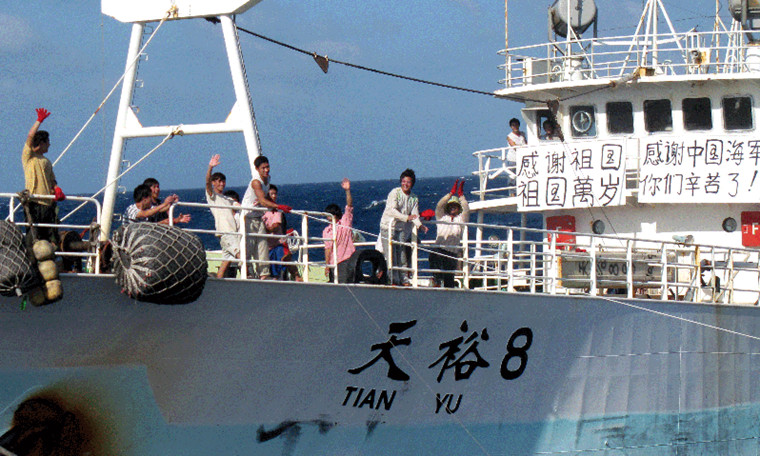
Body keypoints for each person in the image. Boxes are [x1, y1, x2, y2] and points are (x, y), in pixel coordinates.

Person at [241, 155, 291, 280]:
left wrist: (273, 206)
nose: (266, 170)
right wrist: (278, 206)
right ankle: (246, 273)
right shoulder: (256, 182)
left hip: (259, 217)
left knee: (262, 246)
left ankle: (264, 274)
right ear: (257, 169)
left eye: (267, 167)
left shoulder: (267, 179)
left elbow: (265, 198)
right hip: (248, 217)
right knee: (249, 246)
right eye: (263, 168)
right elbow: (262, 200)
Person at [22, 108, 65, 246]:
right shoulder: (29, 157)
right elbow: (30, 137)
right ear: (41, 143)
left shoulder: (47, 162)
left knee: (50, 237)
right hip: (34, 202)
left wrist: (56, 188)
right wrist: (39, 121)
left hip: (48, 204)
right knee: (33, 236)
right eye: (47, 141)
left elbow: (52, 180)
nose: (49, 144)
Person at [378, 169, 428, 286]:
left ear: (412, 183)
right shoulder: (395, 193)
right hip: (388, 227)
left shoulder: (414, 198)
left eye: (408, 182)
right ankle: (393, 280)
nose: (405, 184)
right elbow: (392, 210)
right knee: (391, 254)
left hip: (400, 229)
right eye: (403, 181)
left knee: (401, 254)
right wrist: (406, 217)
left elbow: (415, 214)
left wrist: (420, 225)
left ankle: (404, 279)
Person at [429, 179, 470, 288]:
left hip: (452, 252)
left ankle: (449, 292)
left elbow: (466, 209)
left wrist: (461, 196)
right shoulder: (441, 217)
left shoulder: (461, 220)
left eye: (455, 206)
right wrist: (450, 194)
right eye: (451, 206)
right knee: (434, 259)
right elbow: (439, 205)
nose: (452, 208)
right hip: (440, 249)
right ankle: (436, 282)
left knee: (449, 278)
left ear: (458, 208)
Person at [205, 154, 240, 279]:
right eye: (219, 181)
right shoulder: (212, 196)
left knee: (226, 261)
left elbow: (241, 206)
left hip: (233, 233)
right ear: (214, 183)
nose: (222, 183)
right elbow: (207, 183)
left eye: (223, 181)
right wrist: (210, 167)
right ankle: (249, 278)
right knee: (241, 256)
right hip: (226, 233)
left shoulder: (228, 199)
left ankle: (218, 282)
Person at [323, 178, 358, 283]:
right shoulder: (327, 231)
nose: (328, 218)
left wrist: (347, 190)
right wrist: (327, 265)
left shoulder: (345, 222)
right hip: (334, 263)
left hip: (347, 259)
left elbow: (349, 206)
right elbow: (327, 249)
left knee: (345, 284)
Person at [123, 184, 189, 225]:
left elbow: (161, 209)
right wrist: (165, 203)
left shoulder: (148, 208)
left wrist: (172, 202)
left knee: (164, 222)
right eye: (150, 197)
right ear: (144, 199)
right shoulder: (132, 210)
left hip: (143, 232)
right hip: (131, 237)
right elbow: (145, 214)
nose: (151, 200)